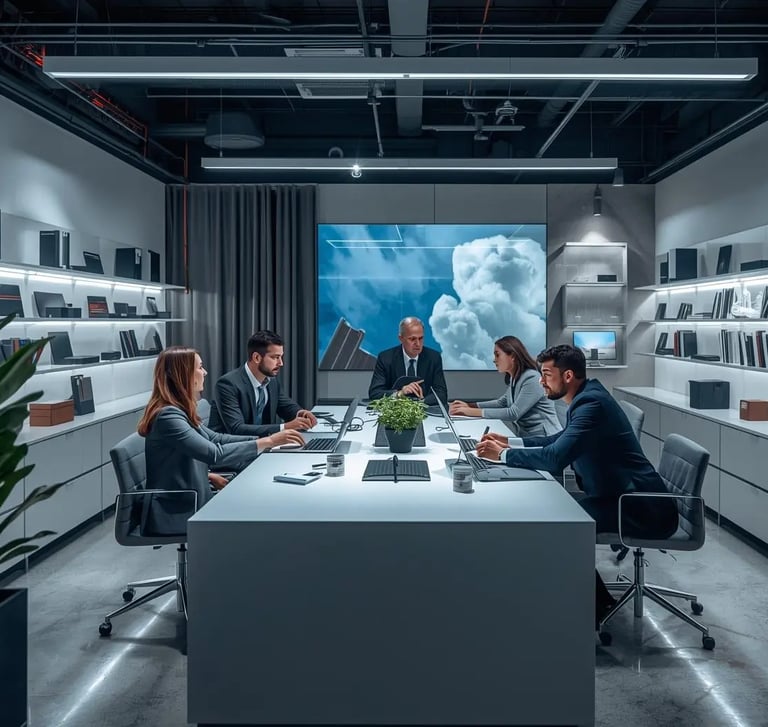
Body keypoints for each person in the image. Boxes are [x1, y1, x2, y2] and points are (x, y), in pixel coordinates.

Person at [476, 344, 679, 628]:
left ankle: (595, 610)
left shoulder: (591, 404)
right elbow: (557, 440)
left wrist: (502, 456)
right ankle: (589, 601)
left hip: (639, 507)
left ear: (568, 375)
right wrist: (509, 442)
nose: (541, 381)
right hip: (619, 496)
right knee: (552, 515)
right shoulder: (586, 397)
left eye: (547, 374)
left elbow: (555, 458)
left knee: (560, 526)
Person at [138, 346, 304, 532]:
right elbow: (214, 454)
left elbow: (215, 438)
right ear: (183, 375)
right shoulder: (168, 417)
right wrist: (269, 442)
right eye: (200, 367)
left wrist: (268, 440)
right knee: (263, 507)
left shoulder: (178, 411)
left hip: (189, 498)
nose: (205, 372)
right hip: (176, 510)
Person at [449, 335, 561, 437]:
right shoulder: (515, 377)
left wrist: (468, 411)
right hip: (528, 438)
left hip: (547, 440)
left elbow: (513, 413)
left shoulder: (532, 378)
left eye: (497, 355)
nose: (494, 360)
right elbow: (501, 403)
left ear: (512, 356)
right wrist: (469, 405)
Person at [213, 330, 318, 436]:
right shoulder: (228, 384)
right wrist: (285, 427)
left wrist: (300, 413)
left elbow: (285, 406)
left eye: (281, 357)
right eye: (275, 357)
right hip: (233, 445)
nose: (281, 363)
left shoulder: (271, 381)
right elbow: (236, 428)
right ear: (257, 358)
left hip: (265, 443)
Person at [368, 317, 448, 405]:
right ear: (401, 338)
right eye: (412, 339)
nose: (418, 344)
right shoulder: (386, 358)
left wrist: (419, 404)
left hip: (425, 409)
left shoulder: (433, 358)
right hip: (395, 409)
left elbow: (441, 394)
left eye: (421, 338)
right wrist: (400, 393)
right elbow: (375, 393)